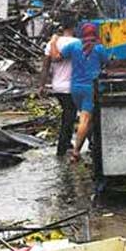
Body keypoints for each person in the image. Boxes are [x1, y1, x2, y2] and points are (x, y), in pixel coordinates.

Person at [52, 22, 107, 163]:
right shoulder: (99, 48)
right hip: (91, 87)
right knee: (85, 119)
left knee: (87, 119)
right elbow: (106, 63)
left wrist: (53, 42)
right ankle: (76, 152)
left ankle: (93, 145)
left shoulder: (74, 46)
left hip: (75, 87)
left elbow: (56, 58)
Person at [38, 16, 81, 157]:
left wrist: (42, 86)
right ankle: (62, 149)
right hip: (72, 87)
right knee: (70, 117)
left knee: (67, 115)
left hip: (57, 87)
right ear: (74, 28)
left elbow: (45, 67)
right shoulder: (77, 43)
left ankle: (67, 144)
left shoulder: (52, 44)